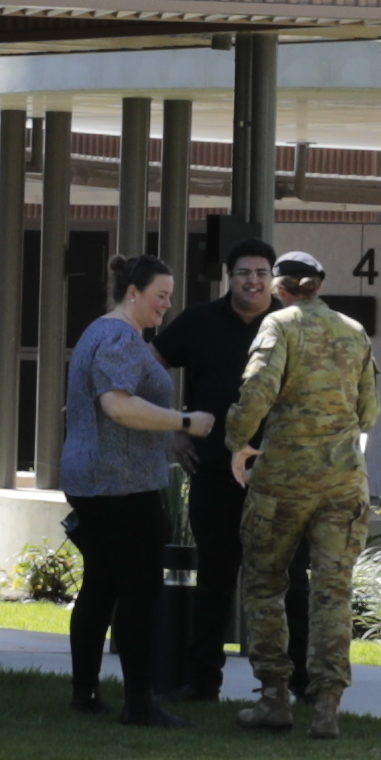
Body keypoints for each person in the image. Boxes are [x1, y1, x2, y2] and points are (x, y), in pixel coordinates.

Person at [223, 245, 381, 736]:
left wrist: (236, 440)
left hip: (284, 481)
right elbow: (369, 412)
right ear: (319, 284)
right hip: (343, 480)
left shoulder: (279, 325)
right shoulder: (353, 330)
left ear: (280, 286)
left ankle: (274, 699)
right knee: (333, 592)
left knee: (265, 584)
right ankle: (327, 708)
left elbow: (256, 394)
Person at [56, 249, 212, 728]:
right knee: (140, 590)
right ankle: (140, 704)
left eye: (169, 297)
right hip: (118, 485)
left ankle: (85, 695)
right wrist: (186, 420)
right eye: (160, 296)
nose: (166, 305)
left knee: (100, 586)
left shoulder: (101, 331)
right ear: (133, 293)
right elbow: (118, 407)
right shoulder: (121, 337)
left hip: (95, 480)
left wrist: (167, 438)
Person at [153, 238, 278, 705]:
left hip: (278, 477)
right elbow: (149, 367)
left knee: (284, 581)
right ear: (230, 276)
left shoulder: (290, 323)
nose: (253, 281)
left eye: (262, 273)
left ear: (273, 277)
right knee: (215, 581)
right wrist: (173, 428)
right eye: (245, 272)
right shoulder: (199, 321)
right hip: (214, 472)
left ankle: (287, 686)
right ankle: (202, 682)